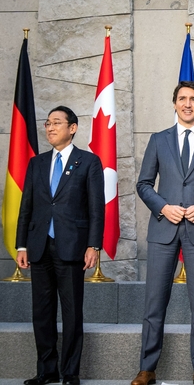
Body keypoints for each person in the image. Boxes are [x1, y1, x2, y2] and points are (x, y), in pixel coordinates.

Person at [133, 81, 194, 385]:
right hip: (164, 229)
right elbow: (144, 184)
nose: (187, 104)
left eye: (193, 99)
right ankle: (147, 368)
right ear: (174, 103)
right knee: (154, 303)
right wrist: (163, 207)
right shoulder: (159, 140)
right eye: (182, 99)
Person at [15, 106, 105, 385]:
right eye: (47, 123)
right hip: (39, 246)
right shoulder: (37, 163)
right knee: (41, 313)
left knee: (71, 312)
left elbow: (96, 208)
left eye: (57, 123)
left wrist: (93, 245)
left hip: (72, 246)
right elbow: (26, 206)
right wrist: (21, 246)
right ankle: (46, 371)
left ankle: (70, 372)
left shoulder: (88, 162)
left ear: (73, 128)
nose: (50, 128)